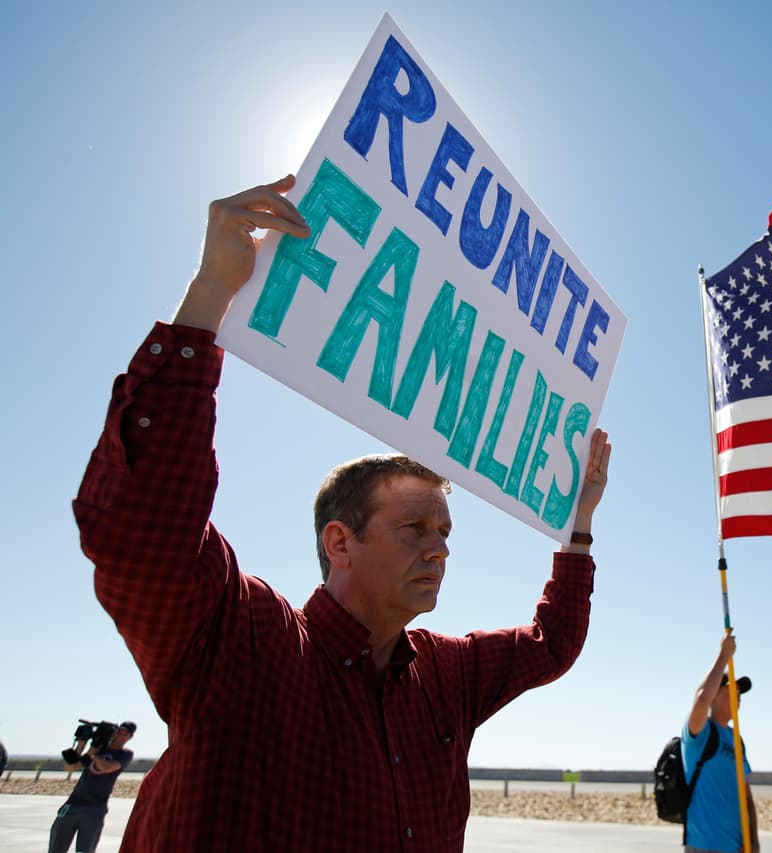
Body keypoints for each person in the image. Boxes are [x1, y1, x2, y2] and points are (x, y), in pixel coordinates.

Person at [72, 177, 612, 852]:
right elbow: (143, 526)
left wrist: (579, 525)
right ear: (341, 541)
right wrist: (210, 294)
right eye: (415, 528)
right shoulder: (241, 643)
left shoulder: (447, 676)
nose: (440, 549)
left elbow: (552, 642)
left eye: (445, 531)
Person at [682, 633, 760, 853]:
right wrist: (724, 655)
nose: (737, 698)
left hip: (736, 846)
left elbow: (746, 794)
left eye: (739, 695)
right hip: (704, 846)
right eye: (729, 693)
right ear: (714, 697)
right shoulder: (700, 733)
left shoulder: (737, 739)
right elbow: (700, 699)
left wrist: (753, 841)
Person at [48, 722, 136, 853]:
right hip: (73, 804)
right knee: (56, 848)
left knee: (85, 850)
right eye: (118, 732)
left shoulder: (125, 754)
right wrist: (82, 744)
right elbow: (70, 767)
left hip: (95, 808)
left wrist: (94, 753)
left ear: (129, 737)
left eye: (124, 734)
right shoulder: (99, 748)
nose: (120, 736)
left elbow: (106, 768)